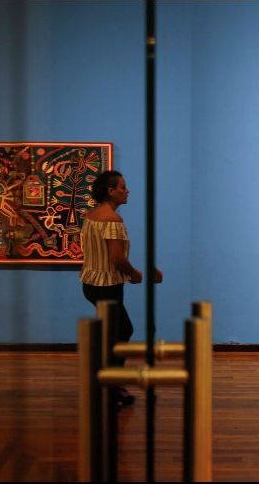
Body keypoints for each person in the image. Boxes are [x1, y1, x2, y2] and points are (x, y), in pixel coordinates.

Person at [80, 171, 162, 408]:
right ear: (111, 191)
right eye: (123, 187)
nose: (127, 191)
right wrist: (135, 275)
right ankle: (110, 387)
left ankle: (109, 384)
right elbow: (117, 258)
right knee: (121, 332)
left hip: (90, 284)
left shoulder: (91, 215)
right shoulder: (113, 220)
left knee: (113, 334)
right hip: (107, 286)